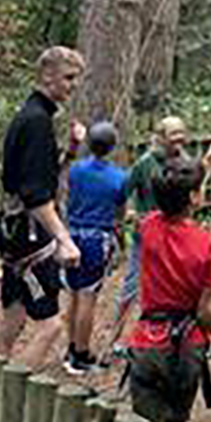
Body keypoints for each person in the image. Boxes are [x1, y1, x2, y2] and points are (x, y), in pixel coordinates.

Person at [125, 155, 211, 422]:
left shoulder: (147, 227)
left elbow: (169, 196)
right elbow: (205, 312)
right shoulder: (210, 243)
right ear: (193, 197)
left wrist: (206, 166)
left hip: (148, 341)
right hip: (186, 348)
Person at [0, 46, 86, 366]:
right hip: (29, 237)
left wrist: (70, 151)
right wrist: (65, 239)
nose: (73, 85)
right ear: (47, 76)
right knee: (50, 327)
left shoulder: (31, 115)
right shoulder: (36, 122)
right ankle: (10, 388)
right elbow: (36, 196)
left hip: (14, 231)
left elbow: (40, 178)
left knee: (13, 318)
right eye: (68, 78)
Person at [114, 117, 190, 339]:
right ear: (161, 137)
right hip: (146, 235)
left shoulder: (185, 161)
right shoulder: (145, 163)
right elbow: (123, 193)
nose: (179, 138)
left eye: (182, 132)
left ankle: (173, 334)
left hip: (176, 234)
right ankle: (115, 337)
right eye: (173, 133)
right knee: (132, 284)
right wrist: (127, 217)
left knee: (174, 283)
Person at [61, 121, 128, 374]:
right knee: (88, 296)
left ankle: (71, 347)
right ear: (112, 147)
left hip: (72, 236)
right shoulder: (119, 178)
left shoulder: (76, 170)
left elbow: (68, 190)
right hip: (96, 240)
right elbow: (119, 213)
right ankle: (81, 354)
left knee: (74, 294)